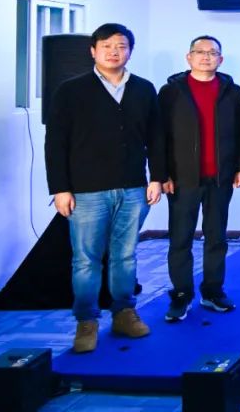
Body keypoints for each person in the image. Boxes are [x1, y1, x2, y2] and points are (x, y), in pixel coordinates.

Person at [45, 23, 165, 353]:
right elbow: (55, 143)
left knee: (125, 256)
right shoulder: (71, 90)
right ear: (93, 51)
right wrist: (60, 188)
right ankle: (86, 321)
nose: (115, 52)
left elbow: (156, 137)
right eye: (107, 46)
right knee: (86, 260)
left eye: (122, 46)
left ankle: (124, 313)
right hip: (86, 191)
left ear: (130, 51)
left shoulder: (143, 89)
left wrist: (156, 177)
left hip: (133, 188)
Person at [158, 35, 240, 322]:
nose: (206, 57)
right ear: (189, 57)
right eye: (200, 52)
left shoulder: (231, 91)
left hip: (220, 177)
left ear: (220, 59)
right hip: (182, 178)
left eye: (212, 53)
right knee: (180, 239)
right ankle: (181, 294)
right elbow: (159, 136)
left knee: (216, 238)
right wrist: (161, 174)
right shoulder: (171, 91)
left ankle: (212, 291)